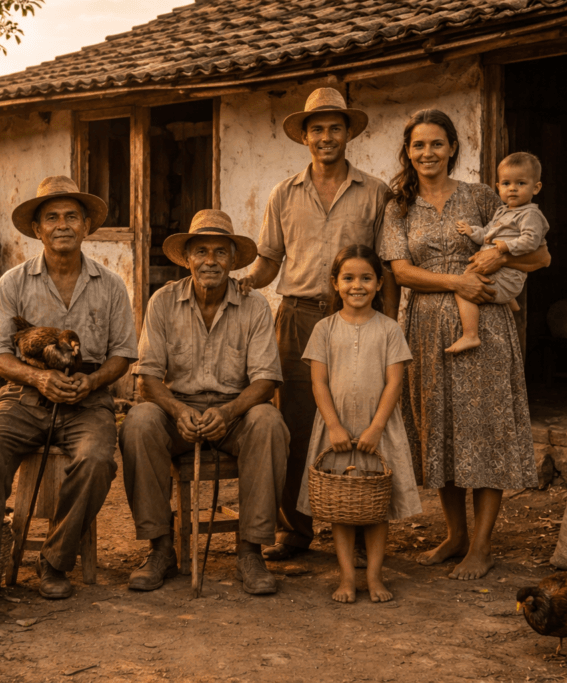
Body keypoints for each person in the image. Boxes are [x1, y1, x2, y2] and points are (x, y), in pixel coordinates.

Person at [0, 176, 138, 635]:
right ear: (37, 229)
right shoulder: (14, 283)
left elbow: (123, 355)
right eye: (52, 217)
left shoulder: (110, 285)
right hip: (23, 396)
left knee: (96, 459)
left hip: (88, 400)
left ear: (86, 226)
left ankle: (55, 561)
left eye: (72, 216)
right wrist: (38, 377)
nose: (63, 224)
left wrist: (89, 383)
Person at [378, 110, 551, 581]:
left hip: (487, 326)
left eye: (437, 144)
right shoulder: (398, 206)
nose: (428, 153)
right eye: (419, 145)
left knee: (485, 429)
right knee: (442, 430)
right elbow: (400, 271)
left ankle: (482, 546)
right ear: (408, 151)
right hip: (426, 327)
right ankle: (454, 535)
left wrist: (498, 253)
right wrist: (459, 281)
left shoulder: (481, 196)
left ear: (453, 148)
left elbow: (540, 253)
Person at [238, 87, 396, 563]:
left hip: (359, 319)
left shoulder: (376, 192)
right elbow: (268, 262)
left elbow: (387, 266)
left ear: (348, 134)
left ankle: (363, 527)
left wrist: (387, 324)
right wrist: (237, 285)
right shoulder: (283, 193)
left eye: (334, 128)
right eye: (316, 129)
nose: (325, 137)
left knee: (360, 420)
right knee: (296, 425)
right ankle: (296, 529)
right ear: (304, 137)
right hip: (298, 318)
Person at [120, 210, 289, 595]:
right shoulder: (163, 301)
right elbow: (147, 378)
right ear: (187, 258)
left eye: (219, 252)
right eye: (200, 251)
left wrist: (229, 411)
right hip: (177, 410)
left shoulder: (255, 305)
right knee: (139, 422)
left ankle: (250, 551)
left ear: (233, 260)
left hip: (236, 412)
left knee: (269, 423)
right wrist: (178, 411)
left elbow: (265, 380)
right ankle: (161, 548)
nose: (210, 261)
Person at [295, 245, 422, 604]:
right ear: (335, 284)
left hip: (377, 429)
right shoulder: (324, 328)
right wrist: (333, 426)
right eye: (348, 278)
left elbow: (394, 382)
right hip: (337, 431)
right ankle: (347, 578)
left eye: (366, 278)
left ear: (379, 284)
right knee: (343, 507)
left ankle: (375, 577)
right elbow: (318, 382)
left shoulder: (389, 329)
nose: (357, 285)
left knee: (375, 507)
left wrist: (376, 427)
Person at [447, 152, 550, 354]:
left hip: (507, 274)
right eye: (506, 183)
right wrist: (472, 231)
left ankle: (470, 335)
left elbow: (531, 241)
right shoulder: (503, 211)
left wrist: (504, 247)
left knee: (464, 286)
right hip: (498, 273)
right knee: (470, 274)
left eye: (521, 183)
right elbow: (487, 234)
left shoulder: (530, 214)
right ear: (498, 187)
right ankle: (510, 299)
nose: (512, 188)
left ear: (535, 187)